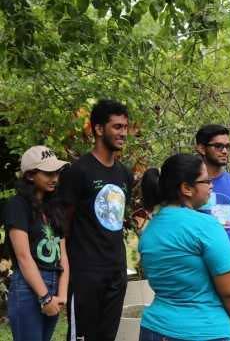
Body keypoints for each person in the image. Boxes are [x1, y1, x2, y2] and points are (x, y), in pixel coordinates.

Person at [138, 154, 230, 341]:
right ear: (186, 188)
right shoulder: (206, 226)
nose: (211, 185)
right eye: (206, 180)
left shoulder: (149, 230)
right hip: (204, 331)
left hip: (153, 329)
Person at [57, 99, 134, 341]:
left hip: (116, 271)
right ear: (99, 129)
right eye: (117, 127)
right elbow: (62, 224)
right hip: (85, 273)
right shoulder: (78, 172)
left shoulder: (125, 174)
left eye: (125, 127)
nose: (123, 133)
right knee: (82, 337)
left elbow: (118, 219)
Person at [3, 146, 69, 341]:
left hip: (54, 285)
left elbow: (62, 255)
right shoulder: (17, 205)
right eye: (48, 173)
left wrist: (62, 295)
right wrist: (45, 297)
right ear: (30, 175)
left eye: (56, 172)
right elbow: (23, 257)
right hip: (28, 288)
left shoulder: (54, 208)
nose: (55, 178)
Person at [195, 124, 230, 252]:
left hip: (226, 267)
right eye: (218, 146)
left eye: (228, 147)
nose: (225, 151)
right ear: (202, 148)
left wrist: (226, 256)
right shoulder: (187, 186)